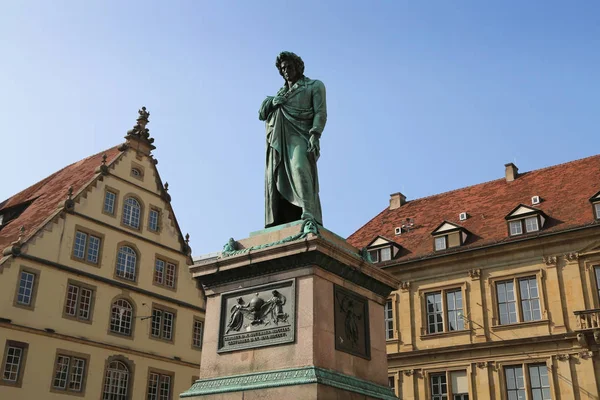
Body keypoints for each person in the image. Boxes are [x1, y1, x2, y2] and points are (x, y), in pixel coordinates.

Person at [259, 51, 327, 228]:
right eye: (283, 68)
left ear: (298, 67)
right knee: (275, 176)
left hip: (302, 134)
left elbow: (320, 112)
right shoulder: (280, 94)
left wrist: (315, 134)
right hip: (280, 140)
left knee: (299, 166)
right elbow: (261, 113)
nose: (286, 70)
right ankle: (282, 216)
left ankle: (308, 212)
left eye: (289, 66)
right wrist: (273, 102)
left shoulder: (314, 86)